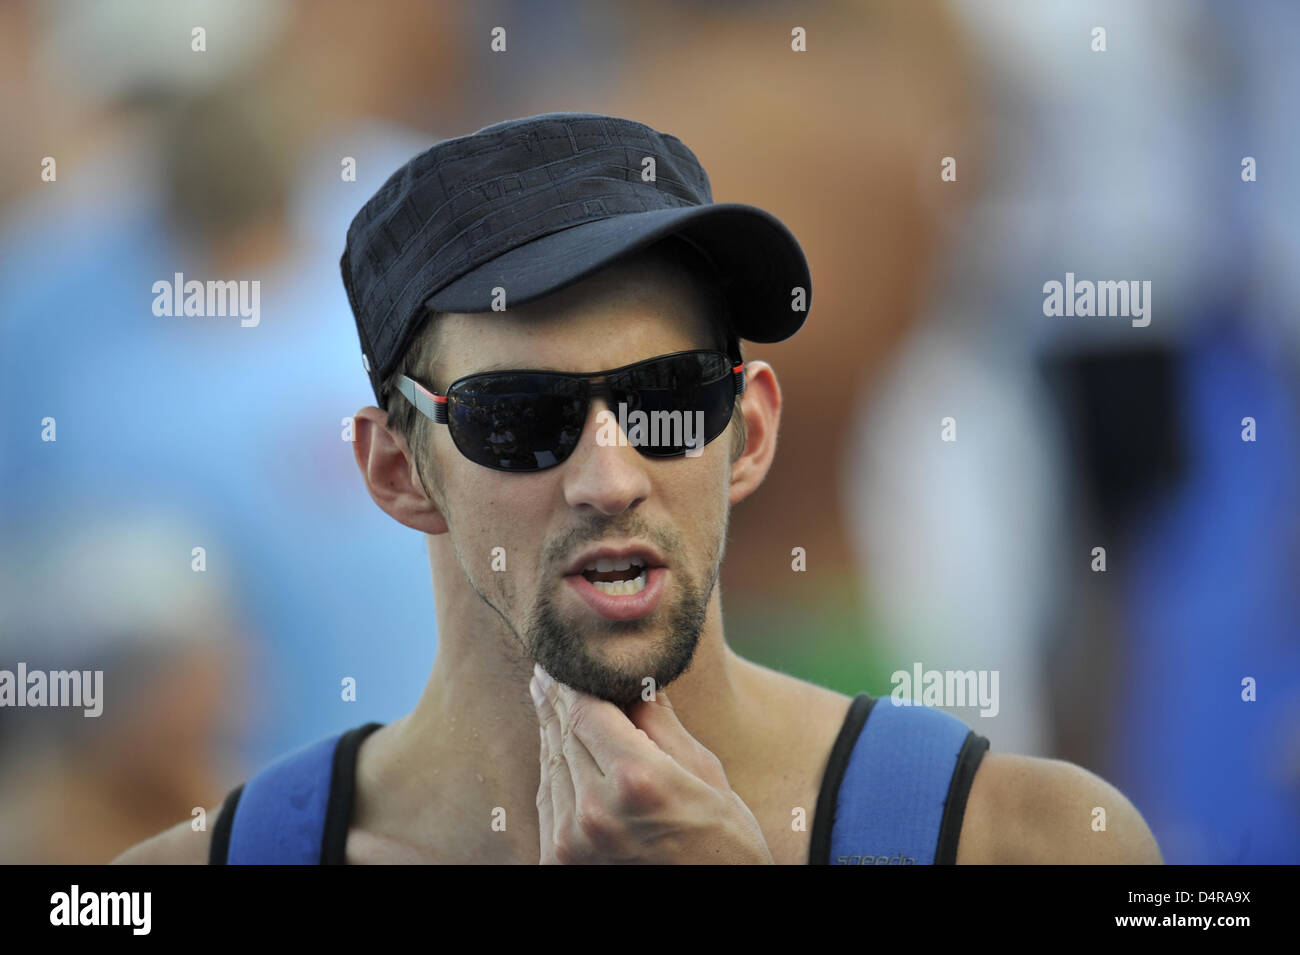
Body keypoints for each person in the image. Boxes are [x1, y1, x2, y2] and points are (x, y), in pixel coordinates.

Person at [115, 112, 1162, 864]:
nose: (609, 479)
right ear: (397, 467)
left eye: (667, 400)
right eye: (519, 417)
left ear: (746, 432)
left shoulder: (1035, 839)